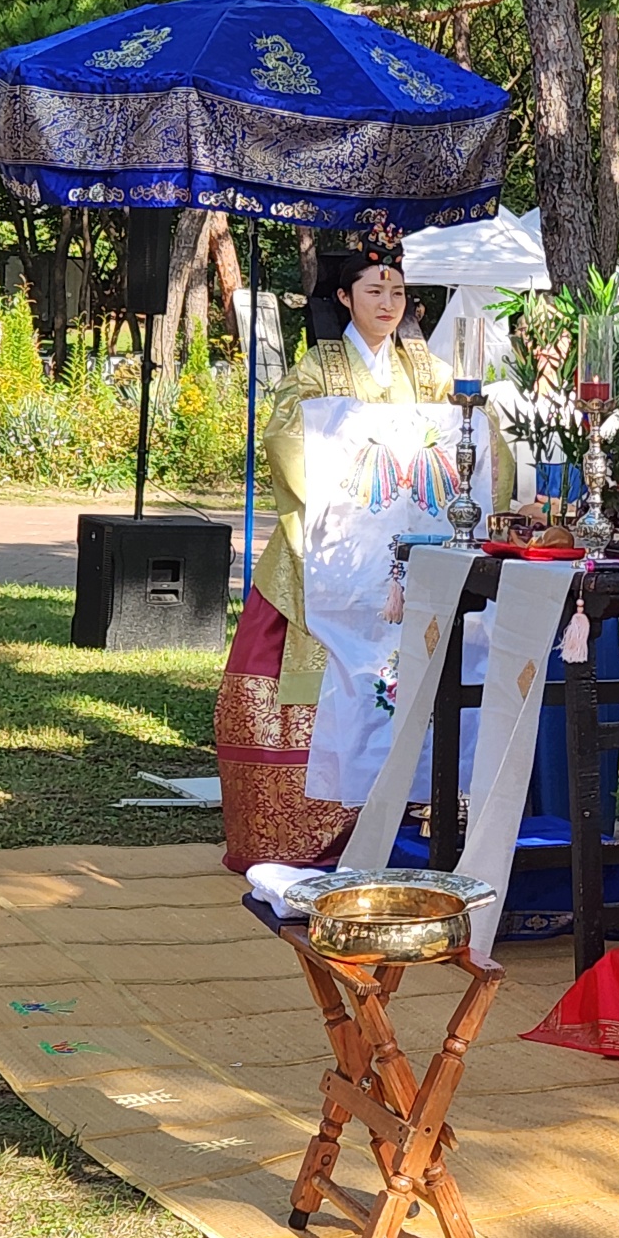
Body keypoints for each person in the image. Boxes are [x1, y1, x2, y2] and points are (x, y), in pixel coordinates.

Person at [215, 230, 514, 872]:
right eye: (374, 290)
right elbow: (289, 442)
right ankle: (306, 837)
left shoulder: (432, 373)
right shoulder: (316, 371)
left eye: (398, 291)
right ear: (346, 297)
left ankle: (415, 821)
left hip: (418, 559)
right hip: (336, 560)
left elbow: (480, 437)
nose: (388, 301)